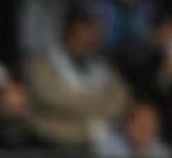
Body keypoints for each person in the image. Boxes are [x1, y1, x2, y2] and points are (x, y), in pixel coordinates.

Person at [26, 10, 130, 147]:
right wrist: (98, 102)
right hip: (52, 143)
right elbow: (51, 99)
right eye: (82, 36)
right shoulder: (42, 66)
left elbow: (120, 101)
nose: (88, 42)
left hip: (99, 143)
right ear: (67, 35)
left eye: (93, 38)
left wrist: (77, 103)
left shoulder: (104, 68)